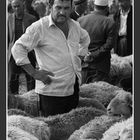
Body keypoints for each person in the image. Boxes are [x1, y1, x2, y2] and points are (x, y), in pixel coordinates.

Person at [11, 0, 90, 116]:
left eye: (66, 8)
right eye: (58, 7)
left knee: (72, 129)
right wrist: (34, 73)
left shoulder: (75, 26)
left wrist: (80, 57)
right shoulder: (40, 27)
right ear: (50, 6)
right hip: (51, 92)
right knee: (52, 130)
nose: (62, 12)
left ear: (72, 7)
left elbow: (86, 39)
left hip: (73, 88)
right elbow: (17, 48)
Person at [78, 0, 116, 84]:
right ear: (107, 9)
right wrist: (93, 55)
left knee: (83, 94)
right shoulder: (110, 22)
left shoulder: (80, 20)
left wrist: (84, 55)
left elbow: (75, 42)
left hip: (82, 66)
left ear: (94, 7)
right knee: (99, 95)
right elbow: (109, 45)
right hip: (100, 68)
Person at [8, 0, 37, 94]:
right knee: (13, 77)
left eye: (18, 6)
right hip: (13, 53)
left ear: (23, 5)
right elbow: (7, 37)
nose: (16, 8)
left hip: (28, 52)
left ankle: (31, 96)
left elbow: (36, 37)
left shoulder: (31, 18)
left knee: (30, 77)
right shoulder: (9, 19)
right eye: (14, 6)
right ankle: (14, 97)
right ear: (12, 7)